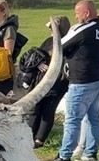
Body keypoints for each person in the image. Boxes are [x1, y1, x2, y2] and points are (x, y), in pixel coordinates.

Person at [46, 0, 99, 161]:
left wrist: (55, 32)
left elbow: (60, 46)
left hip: (81, 81)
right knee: (93, 119)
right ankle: (90, 154)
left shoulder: (83, 29)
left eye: (77, 12)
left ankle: (64, 157)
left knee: (72, 120)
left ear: (87, 13)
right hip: (98, 79)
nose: (75, 15)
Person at [20, 17, 72, 147]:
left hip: (57, 83)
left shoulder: (67, 43)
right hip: (41, 81)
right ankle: (29, 136)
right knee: (35, 109)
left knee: (48, 111)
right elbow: (37, 55)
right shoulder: (49, 41)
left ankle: (40, 139)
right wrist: (38, 64)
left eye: (52, 28)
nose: (50, 31)